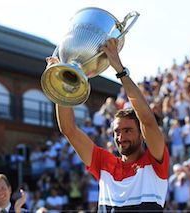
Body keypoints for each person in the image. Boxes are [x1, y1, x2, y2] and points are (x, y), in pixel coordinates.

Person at [46, 38, 169, 211]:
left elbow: (148, 121)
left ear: (141, 134)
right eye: (117, 132)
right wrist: (62, 86)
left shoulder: (155, 162)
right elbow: (69, 130)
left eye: (127, 130)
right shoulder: (104, 162)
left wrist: (120, 70)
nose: (121, 137)